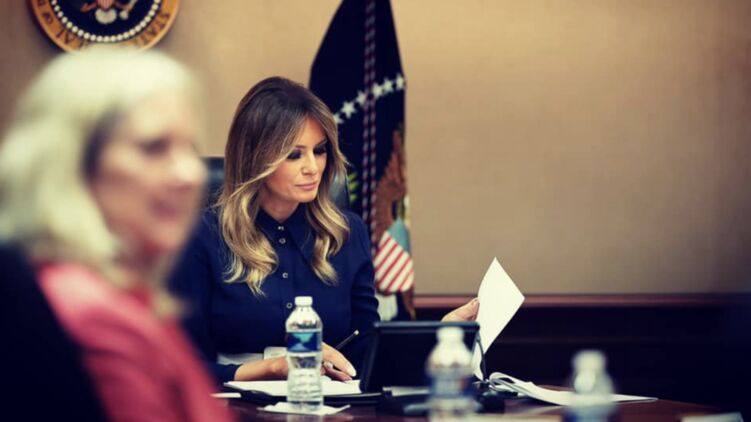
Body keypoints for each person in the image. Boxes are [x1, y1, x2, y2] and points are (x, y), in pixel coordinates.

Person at [170, 76, 480, 385]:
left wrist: (440, 336)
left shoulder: (347, 233)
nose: (313, 167)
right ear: (255, 158)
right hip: (234, 404)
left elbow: (366, 353)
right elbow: (181, 366)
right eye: (294, 154)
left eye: (319, 150)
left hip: (331, 404)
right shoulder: (202, 236)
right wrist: (272, 368)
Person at [0, 48, 234, 422]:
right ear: (74, 163)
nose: (190, 173)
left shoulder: (124, 294)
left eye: (190, 148)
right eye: (154, 147)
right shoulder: (92, 313)